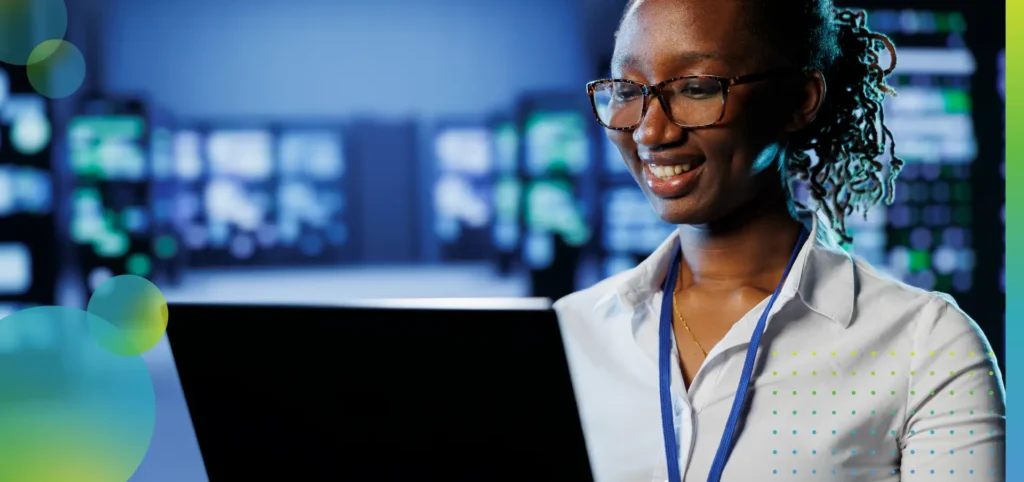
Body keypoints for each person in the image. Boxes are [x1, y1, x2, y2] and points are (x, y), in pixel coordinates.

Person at [553, 0, 1006, 481]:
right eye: (627, 89)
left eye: (696, 88)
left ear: (799, 100)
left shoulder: (926, 347)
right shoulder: (568, 333)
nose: (650, 129)